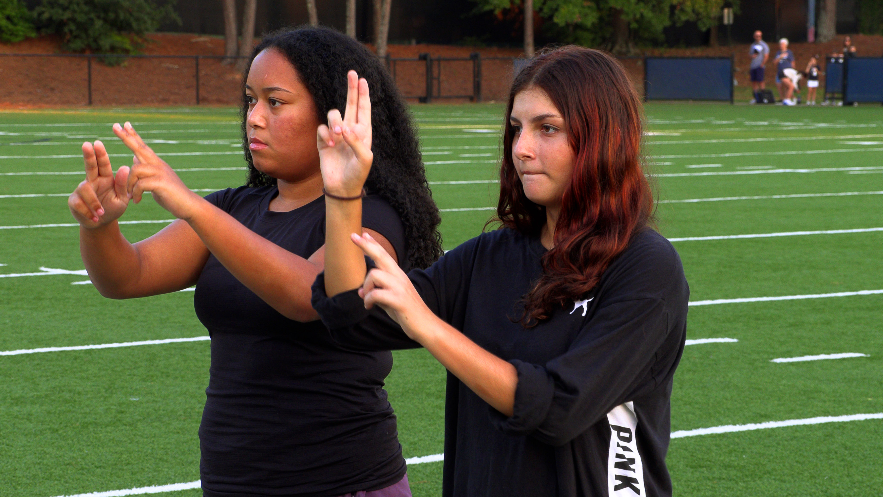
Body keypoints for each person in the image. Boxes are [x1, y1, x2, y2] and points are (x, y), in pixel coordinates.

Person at [67, 25, 443, 497]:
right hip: (233, 482)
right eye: (250, 100)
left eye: (276, 102)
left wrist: (193, 207)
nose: (254, 118)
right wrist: (99, 226)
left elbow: (309, 295)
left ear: (332, 116)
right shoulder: (235, 209)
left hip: (342, 482)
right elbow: (126, 276)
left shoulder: (369, 214)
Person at [313, 46, 690, 496]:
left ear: (602, 138)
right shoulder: (490, 256)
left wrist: (428, 325)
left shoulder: (645, 266)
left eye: (547, 128)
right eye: (516, 129)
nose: (522, 149)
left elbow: (560, 408)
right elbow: (352, 318)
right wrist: (343, 196)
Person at [774, 38, 797, 105]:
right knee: (783, 86)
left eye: (782, 44)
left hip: (788, 72)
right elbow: (775, 62)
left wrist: (793, 71)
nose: (781, 45)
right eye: (780, 44)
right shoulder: (778, 53)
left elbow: (792, 62)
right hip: (781, 72)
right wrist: (780, 57)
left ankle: (787, 99)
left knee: (788, 86)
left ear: (786, 45)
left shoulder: (789, 52)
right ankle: (785, 99)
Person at [749, 30, 770, 104]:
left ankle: (763, 98)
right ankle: (756, 98)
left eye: (759, 36)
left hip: (760, 66)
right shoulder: (752, 45)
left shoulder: (764, 45)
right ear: (754, 36)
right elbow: (750, 55)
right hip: (753, 66)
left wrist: (762, 64)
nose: (758, 37)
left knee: (761, 82)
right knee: (754, 82)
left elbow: (766, 55)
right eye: (756, 36)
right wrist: (752, 56)